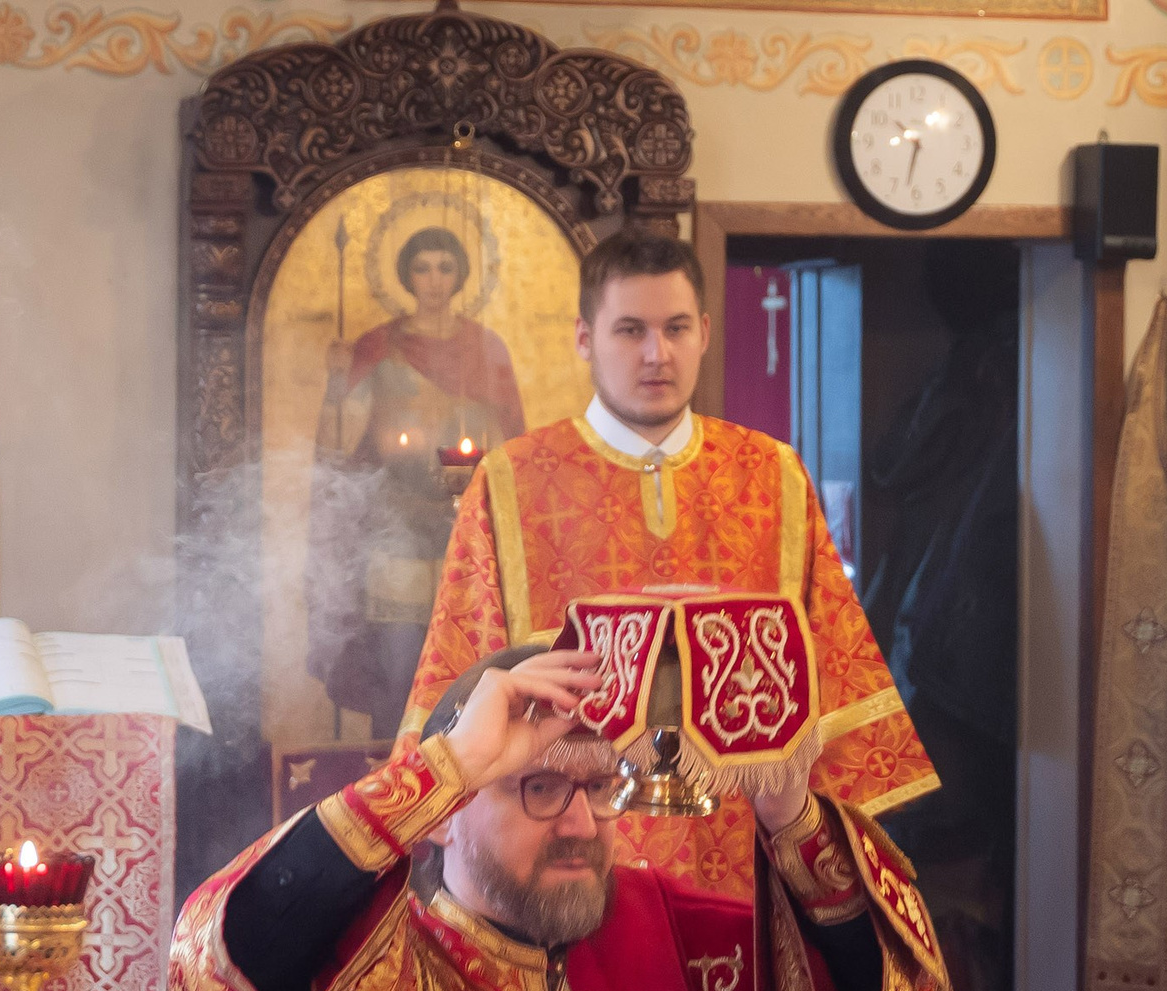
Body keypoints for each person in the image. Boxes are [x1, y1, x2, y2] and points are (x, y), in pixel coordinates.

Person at [399, 232, 940, 901]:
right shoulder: (511, 481)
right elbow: (462, 683)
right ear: (583, 338)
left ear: (705, 332)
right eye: (630, 330)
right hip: (567, 853)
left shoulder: (772, 475)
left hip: (743, 856)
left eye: (676, 328)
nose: (657, 353)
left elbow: (831, 672)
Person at [168, 643, 949, 991]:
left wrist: (793, 816)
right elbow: (222, 977)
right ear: (440, 819)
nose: (580, 822)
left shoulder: (671, 934)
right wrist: (454, 762)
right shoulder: (380, 964)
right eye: (538, 787)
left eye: (601, 787)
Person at [306, 227, 527, 736]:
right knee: (400, 660)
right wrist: (337, 383)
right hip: (395, 521)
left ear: (461, 276)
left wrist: (464, 416)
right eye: (422, 268)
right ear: (406, 275)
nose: (433, 281)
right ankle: (394, 777)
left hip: (466, 522)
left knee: (471, 665)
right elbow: (335, 447)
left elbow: (511, 440)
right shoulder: (379, 345)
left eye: (444, 268)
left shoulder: (483, 346)